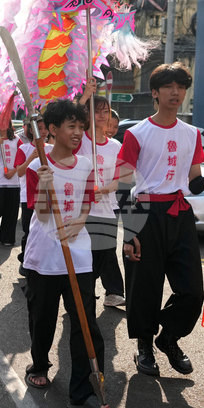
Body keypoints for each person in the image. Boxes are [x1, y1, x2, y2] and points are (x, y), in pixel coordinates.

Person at [117, 62, 204, 376]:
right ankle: (144, 346)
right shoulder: (136, 134)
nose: (176, 92)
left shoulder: (191, 134)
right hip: (145, 214)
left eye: (181, 87)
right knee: (145, 287)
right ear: (155, 92)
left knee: (193, 291)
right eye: (169, 86)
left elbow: (193, 182)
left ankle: (168, 337)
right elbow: (122, 184)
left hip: (180, 213)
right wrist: (129, 233)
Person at [23, 98, 109, 408]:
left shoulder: (86, 165)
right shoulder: (37, 168)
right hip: (45, 256)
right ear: (53, 130)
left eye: (81, 126)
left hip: (79, 255)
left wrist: (80, 221)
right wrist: (46, 188)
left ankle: (82, 391)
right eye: (71, 126)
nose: (78, 132)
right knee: (42, 318)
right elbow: (43, 215)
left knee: (86, 322)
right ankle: (40, 362)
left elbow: (86, 201)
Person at [77, 95, 125, 309]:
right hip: (84, 209)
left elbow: (121, 179)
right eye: (97, 111)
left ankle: (85, 292)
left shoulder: (115, 146)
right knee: (87, 253)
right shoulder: (79, 141)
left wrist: (104, 189)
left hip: (108, 208)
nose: (102, 116)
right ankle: (81, 295)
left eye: (105, 111)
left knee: (105, 253)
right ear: (88, 114)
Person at [14, 117, 48, 276]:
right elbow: (19, 172)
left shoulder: (52, 149)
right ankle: (25, 261)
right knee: (29, 231)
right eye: (39, 128)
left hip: (47, 198)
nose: (42, 131)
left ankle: (39, 263)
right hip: (28, 197)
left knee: (45, 232)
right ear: (32, 130)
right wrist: (31, 157)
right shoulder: (24, 148)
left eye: (45, 128)